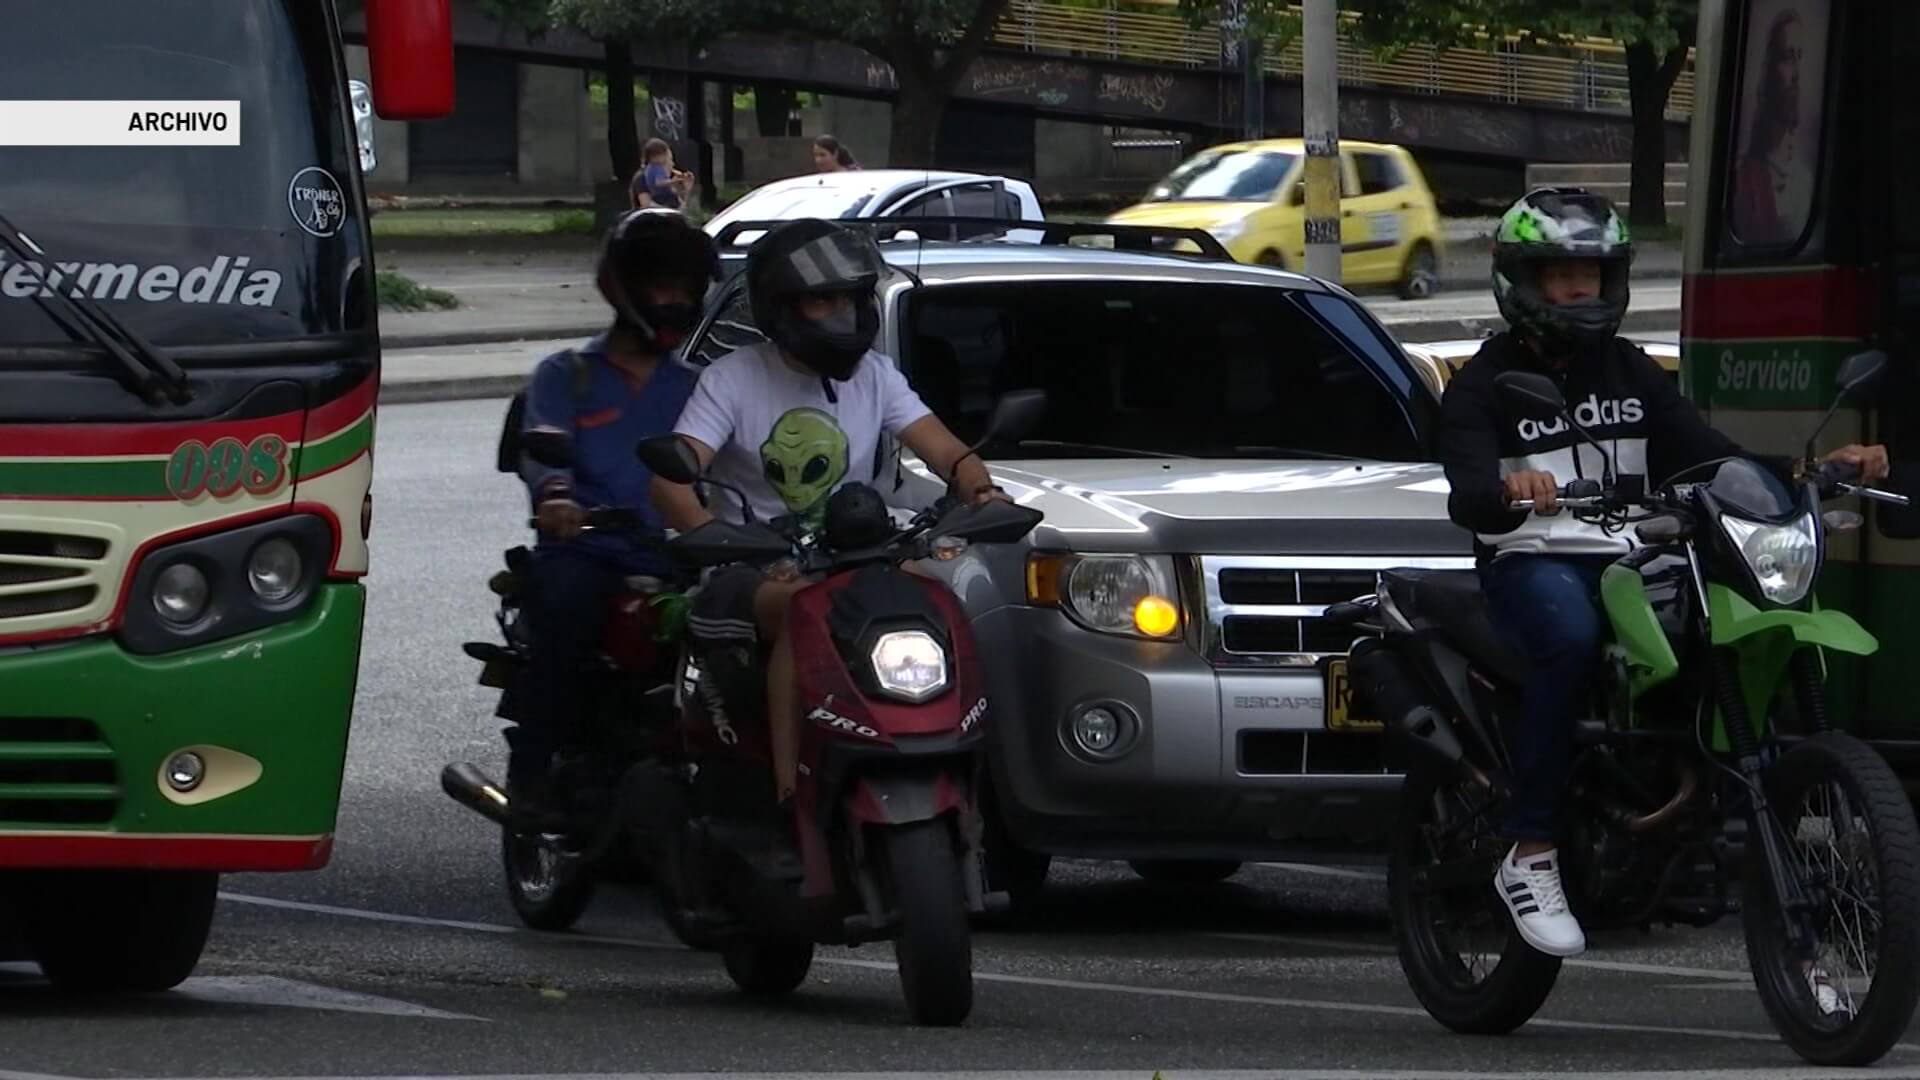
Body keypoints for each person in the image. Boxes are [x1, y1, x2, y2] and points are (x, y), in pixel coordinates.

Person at [1434, 187, 1890, 959]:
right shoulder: (1486, 382)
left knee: (1723, 624)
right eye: (1559, 274)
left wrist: (1807, 469)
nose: (1580, 289)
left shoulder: (1629, 367)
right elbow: (1467, 490)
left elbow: (1703, 450)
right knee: (1571, 639)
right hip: (1536, 560)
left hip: (1637, 556)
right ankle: (1532, 849)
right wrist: (1511, 489)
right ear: (1523, 280)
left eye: (1592, 274)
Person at [650, 218, 1003, 811]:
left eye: (846, 297)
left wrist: (983, 493)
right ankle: (793, 791)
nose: (839, 313)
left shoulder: (875, 375)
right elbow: (671, 480)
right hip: (755, 570)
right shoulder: (733, 379)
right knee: (803, 610)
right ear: (781, 308)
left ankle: (972, 782)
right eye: (820, 299)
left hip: (859, 557)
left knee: (947, 605)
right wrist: (723, 541)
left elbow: (944, 449)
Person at [509, 209, 719, 828]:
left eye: (686, 288)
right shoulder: (565, 375)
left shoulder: (699, 386)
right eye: (664, 286)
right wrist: (556, 498)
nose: (676, 300)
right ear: (625, 287)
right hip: (588, 550)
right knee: (564, 613)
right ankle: (534, 771)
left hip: (678, 554)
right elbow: (543, 451)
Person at [631, 138, 696, 212]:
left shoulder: (667, 178)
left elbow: (682, 210)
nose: (672, 164)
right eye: (670, 159)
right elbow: (647, 206)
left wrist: (687, 190)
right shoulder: (642, 177)